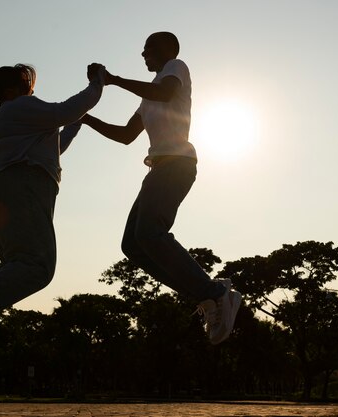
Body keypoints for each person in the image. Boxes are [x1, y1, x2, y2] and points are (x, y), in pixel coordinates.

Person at [82, 32, 241, 345]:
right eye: (142, 51)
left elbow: (165, 94)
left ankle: (215, 293)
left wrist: (113, 79)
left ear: (169, 48)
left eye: (149, 49)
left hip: (177, 164)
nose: (143, 55)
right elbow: (127, 135)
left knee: (150, 233)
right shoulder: (147, 98)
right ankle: (207, 296)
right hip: (158, 169)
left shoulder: (176, 69)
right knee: (133, 244)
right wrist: (87, 119)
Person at [0, 63, 105, 351]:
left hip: (4, 190)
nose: (32, 87)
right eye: (28, 83)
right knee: (37, 268)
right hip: (19, 187)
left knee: (19, 267)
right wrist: (97, 83)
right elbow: (63, 111)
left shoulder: (15, 117)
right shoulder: (19, 107)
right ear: (14, 89)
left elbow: (55, 145)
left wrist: (76, 123)